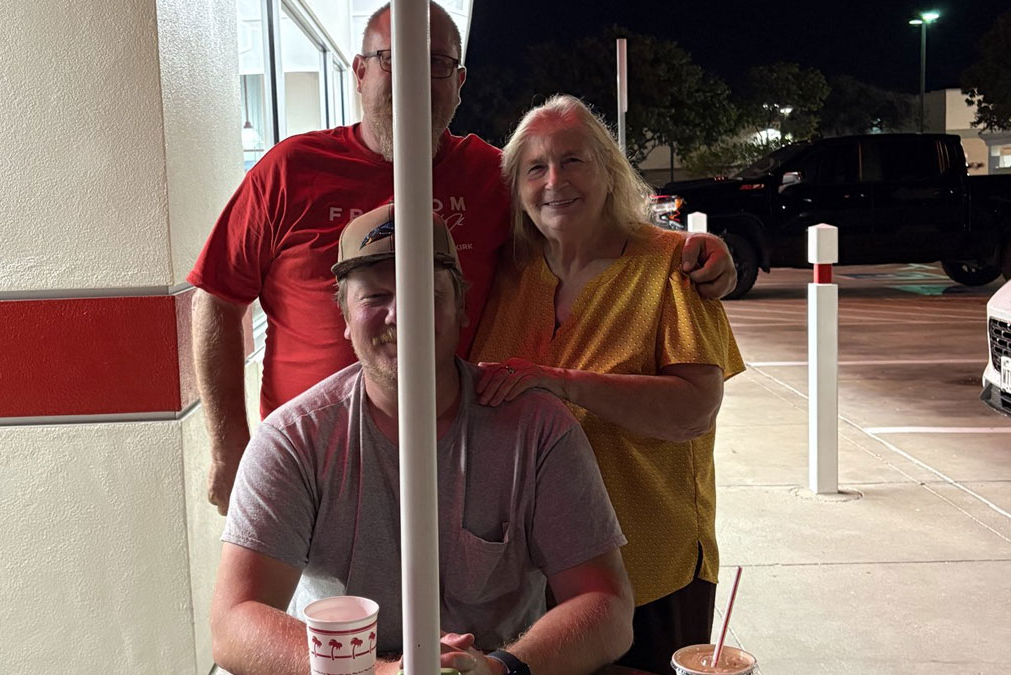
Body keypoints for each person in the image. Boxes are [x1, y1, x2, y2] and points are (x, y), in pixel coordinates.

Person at [188, 1, 737, 516]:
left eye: (436, 63)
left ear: (459, 82)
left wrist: (684, 247)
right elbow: (216, 300)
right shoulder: (289, 171)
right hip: (312, 468)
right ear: (359, 71)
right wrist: (229, 446)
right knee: (313, 593)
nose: (414, 79)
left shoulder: (489, 177)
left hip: (457, 472)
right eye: (392, 59)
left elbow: (574, 217)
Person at [209, 205, 635, 675]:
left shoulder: (536, 428)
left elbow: (607, 603)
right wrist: (381, 673)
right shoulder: (293, 441)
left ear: (461, 308)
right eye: (376, 297)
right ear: (344, 315)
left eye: (425, 293)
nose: (401, 315)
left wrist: (498, 669)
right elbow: (233, 622)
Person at [470, 94, 746, 675]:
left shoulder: (672, 265)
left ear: (609, 171)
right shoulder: (508, 274)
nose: (554, 181)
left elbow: (695, 409)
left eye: (573, 160)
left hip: (648, 562)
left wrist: (561, 383)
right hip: (529, 573)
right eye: (535, 168)